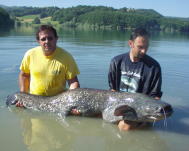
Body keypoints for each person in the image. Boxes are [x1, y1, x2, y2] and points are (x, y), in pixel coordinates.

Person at [108, 27, 162, 131]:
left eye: (146, 47)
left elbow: (155, 98)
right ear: (130, 44)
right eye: (140, 47)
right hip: (119, 105)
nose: (144, 51)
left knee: (125, 127)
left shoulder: (154, 67)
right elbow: (112, 91)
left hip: (140, 109)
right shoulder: (116, 62)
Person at [17, 25, 80, 106]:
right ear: (38, 41)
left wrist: (71, 101)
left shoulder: (66, 57)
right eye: (43, 39)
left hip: (58, 102)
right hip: (34, 101)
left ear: (56, 39)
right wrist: (23, 96)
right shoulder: (30, 54)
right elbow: (24, 75)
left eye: (50, 38)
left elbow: (73, 82)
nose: (47, 41)